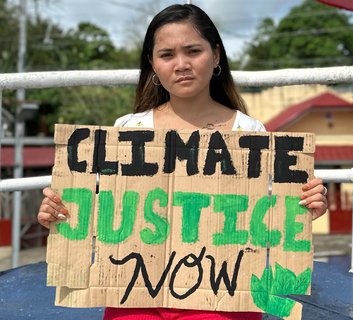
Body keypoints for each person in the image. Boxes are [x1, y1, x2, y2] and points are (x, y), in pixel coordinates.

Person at [37, 4, 328, 320]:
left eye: (193, 51)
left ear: (215, 55)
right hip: (134, 291)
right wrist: (60, 210)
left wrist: (305, 207)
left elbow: (268, 215)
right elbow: (102, 205)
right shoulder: (128, 129)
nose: (181, 64)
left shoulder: (249, 132)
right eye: (167, 55)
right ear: (153, 64)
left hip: (223, 293)